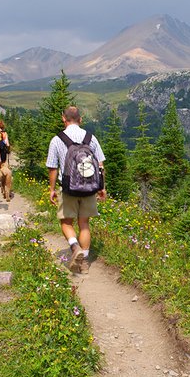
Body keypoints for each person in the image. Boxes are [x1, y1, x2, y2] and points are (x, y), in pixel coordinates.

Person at [46, 106, 107, 273]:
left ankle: (75, 248)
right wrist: (102, 187)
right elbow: (100, 165)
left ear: (63, 119)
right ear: (80, 120)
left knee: (66, 222)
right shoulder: (90, 137)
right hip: (89, 188)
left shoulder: (57, 139)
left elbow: (53, 167)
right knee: (84, 224)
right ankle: (85, 263)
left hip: (68, 188)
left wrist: (51, 189)